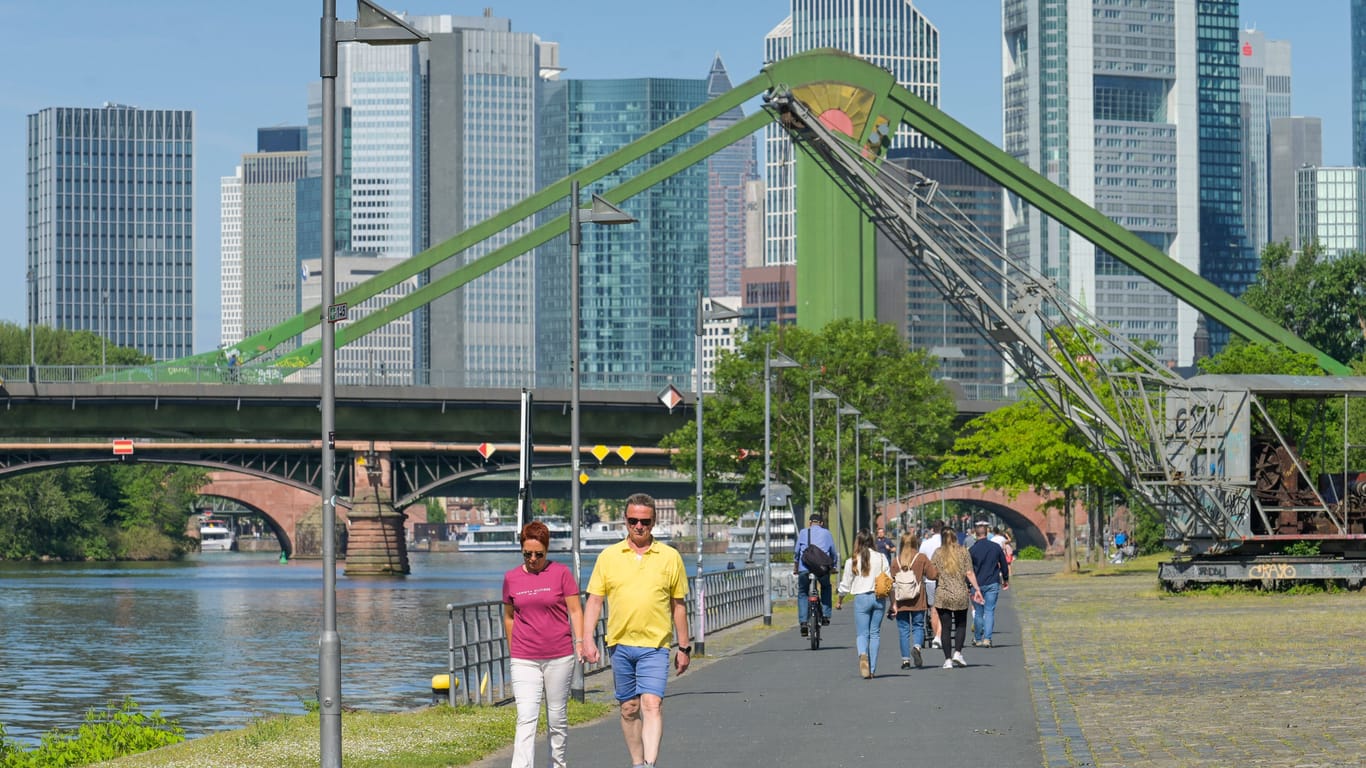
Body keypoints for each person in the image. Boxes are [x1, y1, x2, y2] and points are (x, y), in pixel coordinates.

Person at [581, 493, 690, 768]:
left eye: (645, 521)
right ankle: (637, 762)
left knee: (652, 705)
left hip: (655, 645)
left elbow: (679, 605)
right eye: (633, 521)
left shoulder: (670, 557)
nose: (639, 526)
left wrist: (684, 647)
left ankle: (649, 765)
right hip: (619, 643)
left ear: (654, 522)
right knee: (629, 709)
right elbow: (594, 600)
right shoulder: (608, 557)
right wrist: (586, 639)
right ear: (625, 521)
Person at [502, 521, 585, 768]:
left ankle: (557, 764)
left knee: (556, 718)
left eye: (539, 554)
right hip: (524, 657)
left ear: (547, 551)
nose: (533, 559)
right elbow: (509, 616)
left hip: (559, 656)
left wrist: (579, 642)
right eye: (527, 554)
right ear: (521, 551)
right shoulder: (511, 578)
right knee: (526, 717)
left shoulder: (561, 574)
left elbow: (575, 611)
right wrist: (513, 648)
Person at [836, 529, 891, 679]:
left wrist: (839, 600)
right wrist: (893, 603)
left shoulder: (852, 561)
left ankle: (863, 654)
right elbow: (888, 581)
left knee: (862, 633)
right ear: (872, 541)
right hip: (878, 598)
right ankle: (872, 669)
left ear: (857, 542)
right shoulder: (881, 558)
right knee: (875, 634)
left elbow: (845, 585)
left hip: (861, 598)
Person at [930, 524, 985, 668]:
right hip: (960, 592)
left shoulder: (937, 553)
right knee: (961, 624)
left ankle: (947, 659)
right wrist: (977, 589)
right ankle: (958, 653)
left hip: (943, 593)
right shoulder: (963, 552)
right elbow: (969, 573)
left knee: (946, 628)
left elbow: (932, 572)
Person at [889, 530, 938, 669]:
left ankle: (905, 660)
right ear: (915, 543)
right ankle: (917, 647)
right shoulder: (921, 558)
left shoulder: (896, 561)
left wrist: (892, 603)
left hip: (901, 600)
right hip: (918, 598)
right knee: (918, 626)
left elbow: (891, 582)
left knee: (903, 630)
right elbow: (932, 575)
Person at [794, 511, 837, 636]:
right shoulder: (827, 533)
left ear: (810, 523)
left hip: (804, 568)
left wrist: (796, 567)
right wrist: (833, 566)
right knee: (826, 587)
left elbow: (797, 553)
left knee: (802, 593)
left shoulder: (803, 532)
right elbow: (833, 552)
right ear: (821, 523)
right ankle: (826, 615)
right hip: (822, 569)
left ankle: (803, 622)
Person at [969, 521, 1010, 648]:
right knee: (990, 611)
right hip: (992, 582)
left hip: (977, 584)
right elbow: (1003, 564)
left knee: (979, 612)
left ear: (975, 535)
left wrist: (967, 585)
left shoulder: (972, 550)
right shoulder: (995, 547)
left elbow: (968, 569)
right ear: (987, 533)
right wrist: (1005, 579)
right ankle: (987, 639)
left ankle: (977, 638)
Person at [918, 519, 945, 649]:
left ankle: (936, 636)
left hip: (930, 580)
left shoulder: (925, 544)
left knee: (933, 609)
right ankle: (940, 634)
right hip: (946, 579)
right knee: (945, 609)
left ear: (932, 530)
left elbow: (921, 560)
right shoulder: (946, 543)